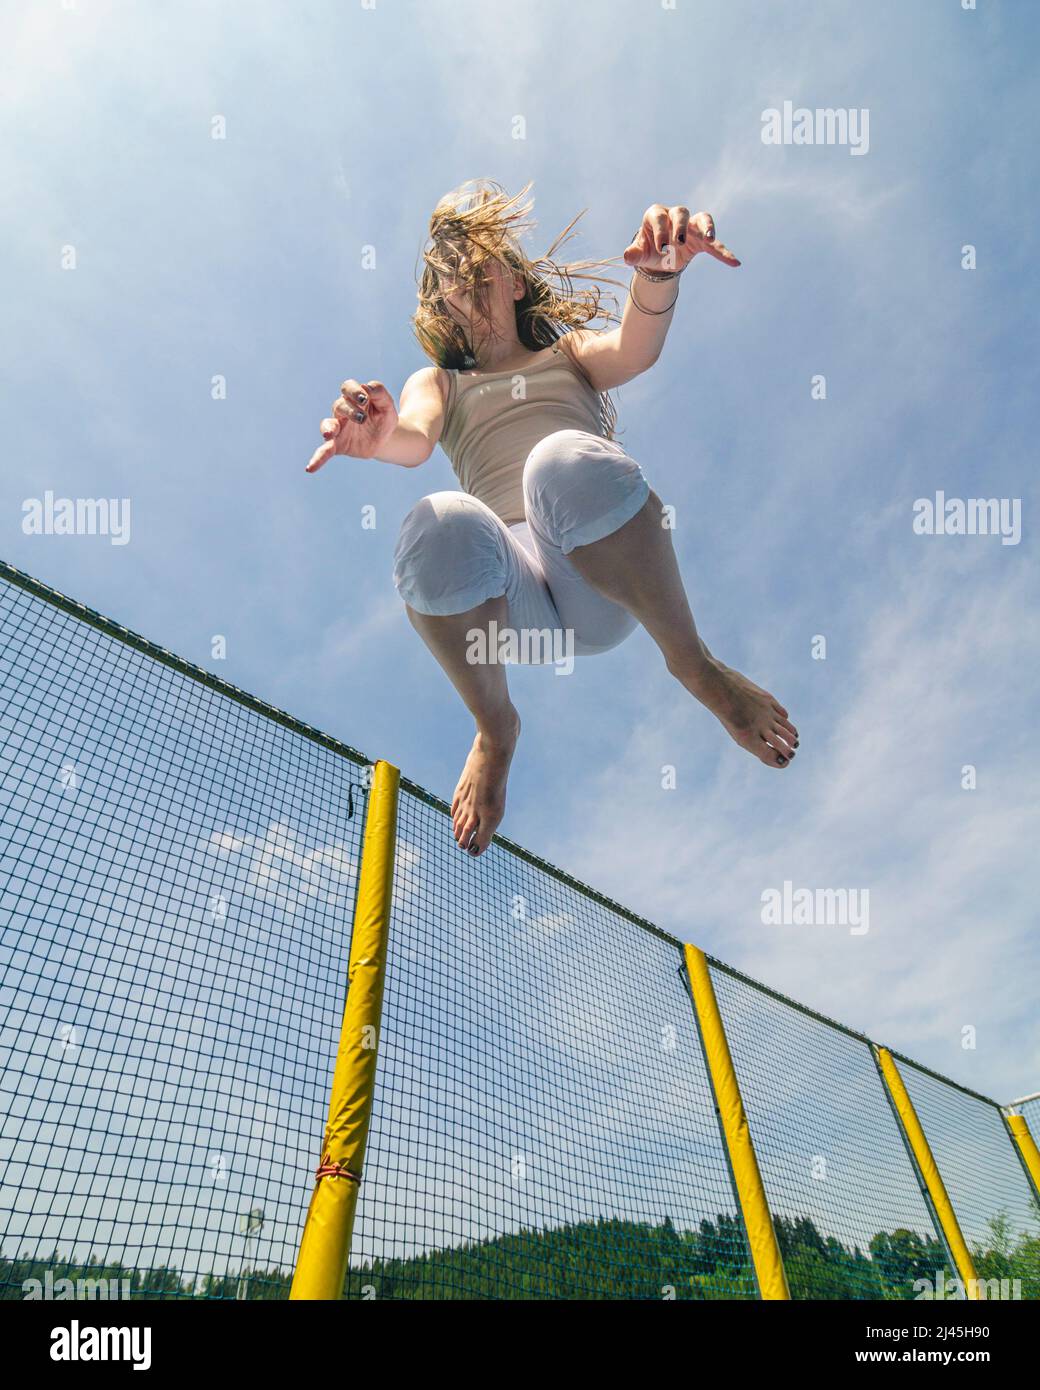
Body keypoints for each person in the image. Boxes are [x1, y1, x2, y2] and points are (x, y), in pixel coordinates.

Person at [306, 180, 798, 858]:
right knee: (434, 522)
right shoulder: (441, 383)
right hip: (511, 609)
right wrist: (379, 436)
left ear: (513, 282)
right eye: (453, 280)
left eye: (482, 271)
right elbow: (415, 439)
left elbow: (635, 347)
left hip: (596, 579)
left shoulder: (567, 357)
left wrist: (657, 278)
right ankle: (495, 725)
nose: (469, 286)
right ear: (444, 304)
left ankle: (694, 663)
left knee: (558, 461)